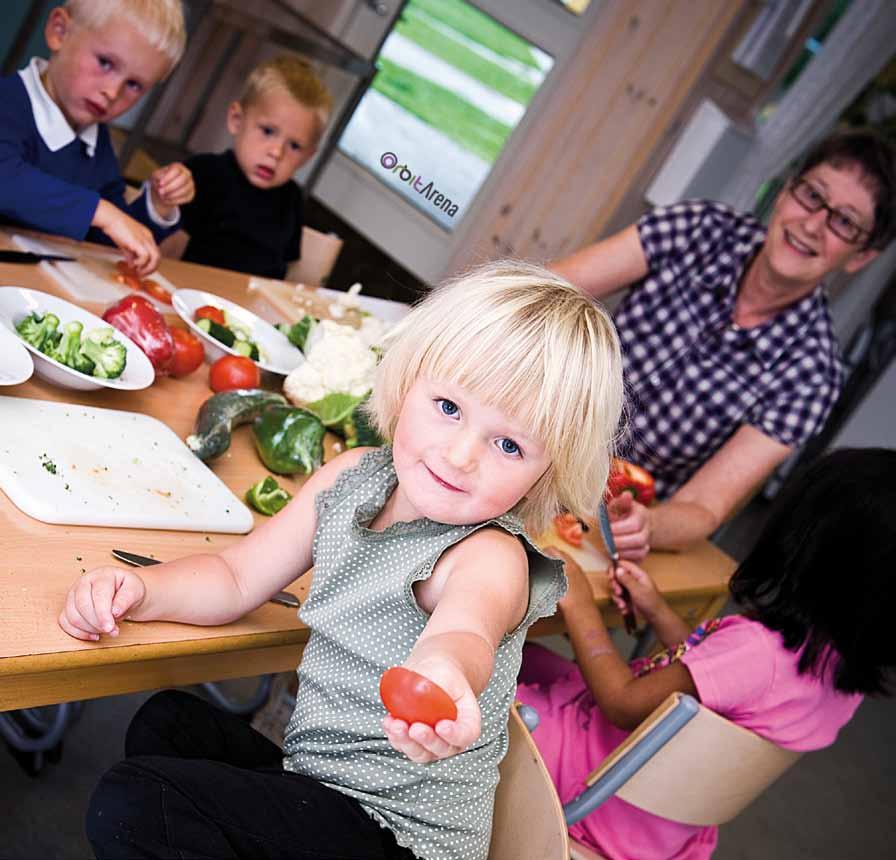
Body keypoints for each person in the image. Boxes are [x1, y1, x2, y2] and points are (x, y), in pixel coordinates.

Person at [58, 261, 625, 860]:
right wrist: (140, 590)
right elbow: (234, 577)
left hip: (396, 839)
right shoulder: (352, 478)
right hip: (320, 786)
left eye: (509, 444)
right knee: (166, 725)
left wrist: (445, 674)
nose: (460, 455)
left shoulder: (489, 554)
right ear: (407, 382)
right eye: (450, 407)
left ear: (547, 474)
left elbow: (465, 630)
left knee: (136, 802)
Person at [518, 446, 896, 859]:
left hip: (595, 785)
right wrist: (658, 610)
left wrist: (581, 604)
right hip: (652, 825)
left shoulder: (756, 652)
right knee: (532, 656)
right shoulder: (840, 677)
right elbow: (715, 683)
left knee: (491, 670)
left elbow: (623, 703)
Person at [550, 130, 896, 559]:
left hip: (608, 516)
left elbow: (704, 506)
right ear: (786, 190)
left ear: (861, 256)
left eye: (844, 222)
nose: (812, 225)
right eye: (811, 195)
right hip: (542, 433)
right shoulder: (700, 230)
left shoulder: (812, 375)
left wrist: (648, 525)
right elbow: (543, 291)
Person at [0, 0, 194, 275]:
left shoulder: (96, 142)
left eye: (134, 85)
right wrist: (99, 212)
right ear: (60, 32)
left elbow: (106, 239)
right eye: (105, 63)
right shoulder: (7, 101)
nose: (112, 92)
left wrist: (157, 206)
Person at [175, 54, 332, 279]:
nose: (276, 152)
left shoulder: (291, 199)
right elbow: (167, 254)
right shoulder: (202, 174)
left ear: (307, 157)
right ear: (236, 120)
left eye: (294, 146)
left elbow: (281, 274)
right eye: (268, 131)